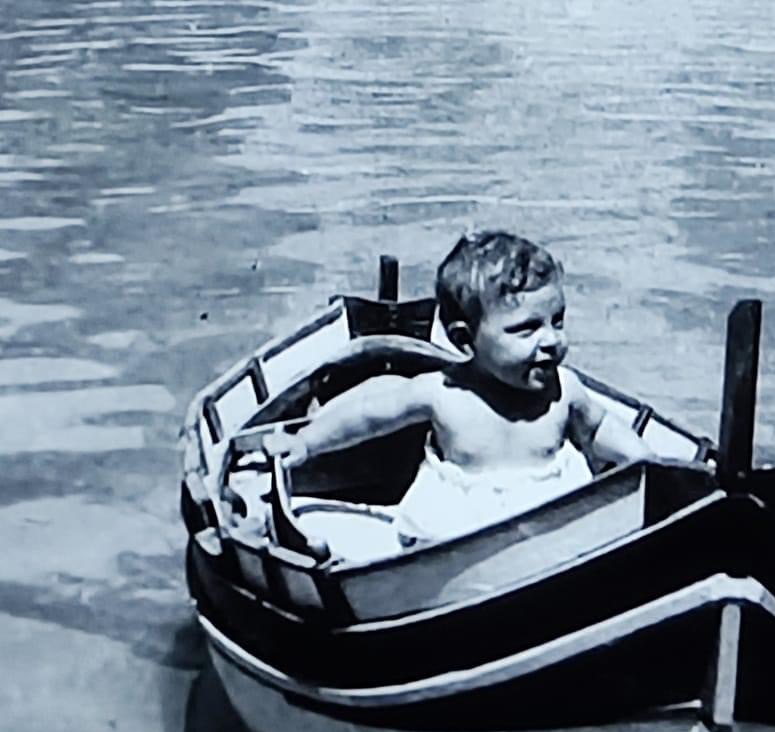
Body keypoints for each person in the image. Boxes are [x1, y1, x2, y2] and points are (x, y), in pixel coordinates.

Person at [268, 231, 653, 544]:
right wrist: (306, 443)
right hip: (461, 534)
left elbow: (599, 428)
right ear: (464, 339)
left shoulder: (563, 389)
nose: (551, 340)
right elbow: (369, 416)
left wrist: (648, 462)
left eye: (557, 321)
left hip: (554, 519)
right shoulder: (443, 393)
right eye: (526, 329)